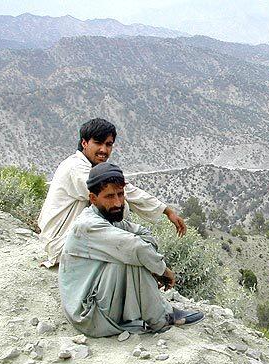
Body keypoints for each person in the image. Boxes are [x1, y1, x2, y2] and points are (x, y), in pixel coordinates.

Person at [59, 162, 204, 336]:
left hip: (99, 302)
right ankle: (161, 318)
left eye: (120, 194)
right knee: (129, 255)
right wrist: (163, 271)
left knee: (132, 251)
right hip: (88, 315)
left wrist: (150, 261)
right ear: (93, 198)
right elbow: (135, 247)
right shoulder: (88, 225)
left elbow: (143, 234)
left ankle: (149, 313)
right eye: (110, 196)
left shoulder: (110, 217)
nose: (118, 203)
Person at [38, 118, 186, 267]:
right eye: (98, 143)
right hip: (62, 243)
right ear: (84, 143)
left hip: (74, 238)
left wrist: (166, 211)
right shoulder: (76, 168)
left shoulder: (89, 167)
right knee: (128, 251)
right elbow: (115, 192)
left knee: (137, 241)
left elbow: (124, 189)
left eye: (108, 144)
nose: (104, 150)